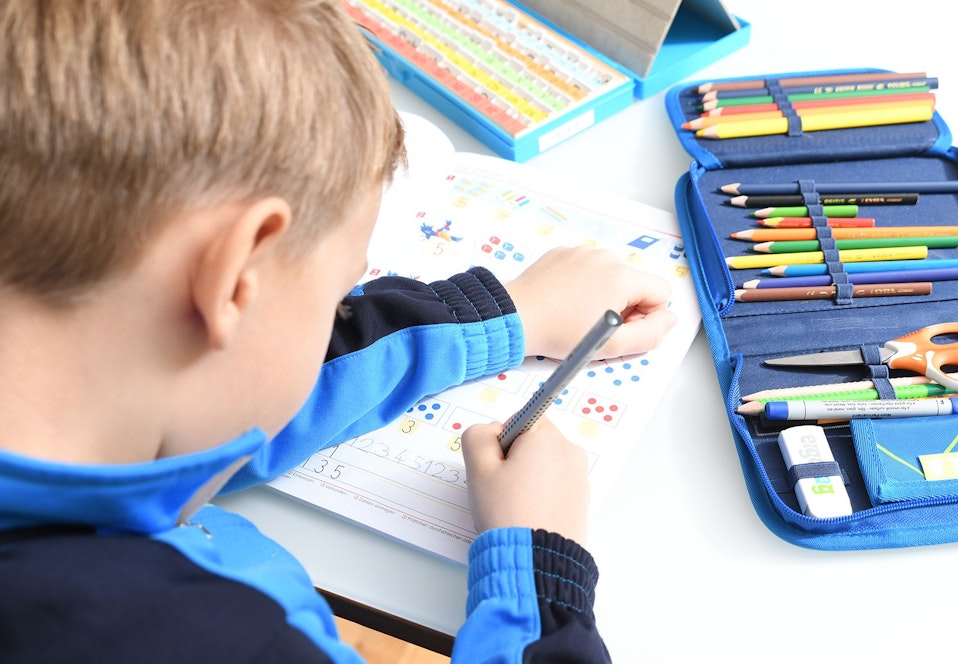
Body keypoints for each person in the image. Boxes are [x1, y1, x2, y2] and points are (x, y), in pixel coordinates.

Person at [0, 1, 678, 662]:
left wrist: (507, 314)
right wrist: (544, 586)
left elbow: (212, 398)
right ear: (235, 275)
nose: (339, 315)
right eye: (337, 299)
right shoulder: (233, 640)